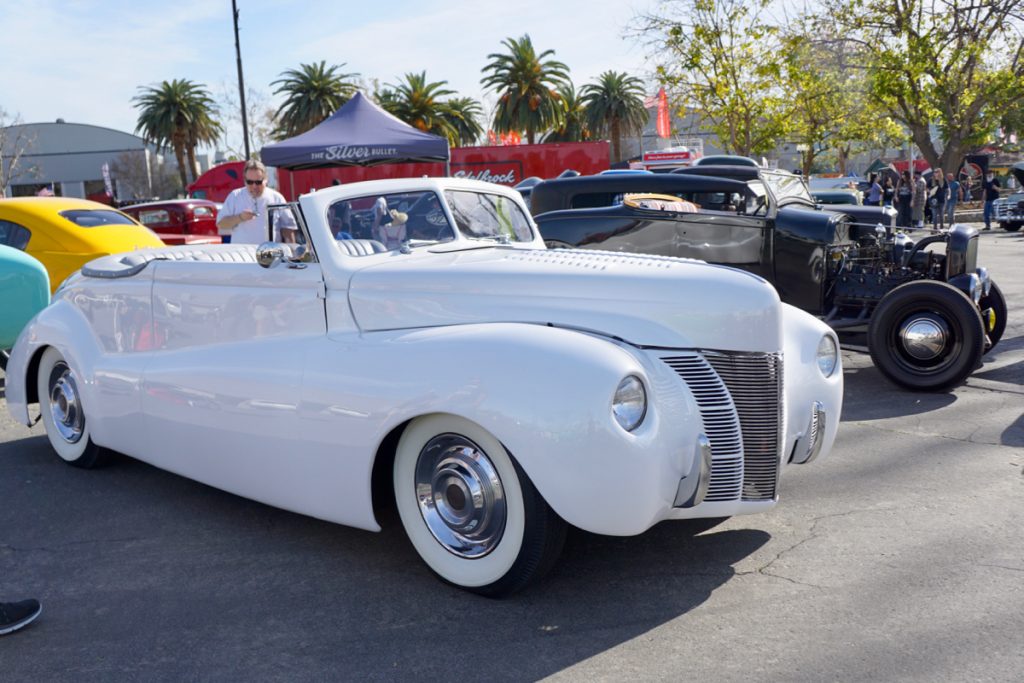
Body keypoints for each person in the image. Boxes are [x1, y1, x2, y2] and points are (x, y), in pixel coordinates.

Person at [217, 159, 288, 245]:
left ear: (266, 180)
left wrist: (292, 252)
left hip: (271, 255)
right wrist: (240, 217)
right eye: (250, 182)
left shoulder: (277, 198)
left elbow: (288, 228)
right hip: (242, 255)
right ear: (244, 180)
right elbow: (221, 224)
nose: (254, 186)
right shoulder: (235, 196)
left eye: (258, 182)